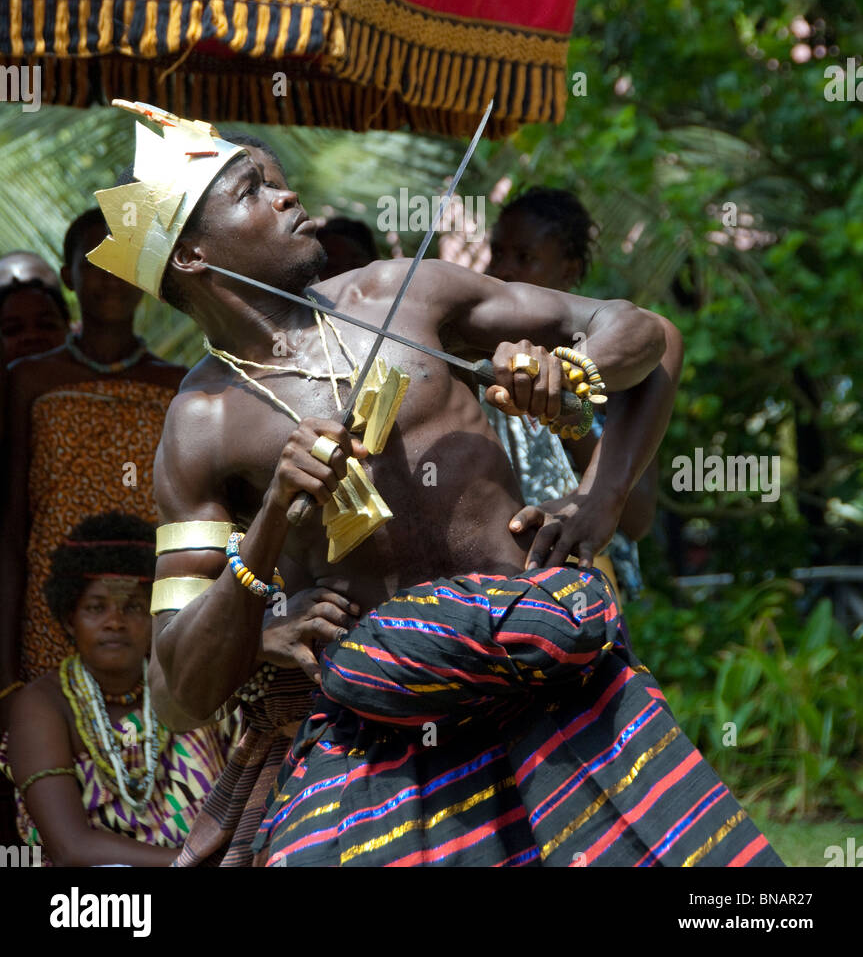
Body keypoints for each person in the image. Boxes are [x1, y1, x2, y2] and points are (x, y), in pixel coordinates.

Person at [91, 100, 781, 868]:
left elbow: (645, 335)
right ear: (190, 257)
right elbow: (176, 691)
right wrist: (271, 532)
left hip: (553, 684)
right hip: (386, 736)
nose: (287, 196)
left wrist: (596, 483)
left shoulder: (400, 293)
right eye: (252, 189)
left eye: (279, 182)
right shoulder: (201, 425)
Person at [0, 210, 185, 701]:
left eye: (126, 259)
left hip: (149, 596)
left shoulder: (178, 384)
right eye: (96, 260)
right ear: (67, 277)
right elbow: (14, 521)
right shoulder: (29, 380)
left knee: (155, 750)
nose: (112, 275)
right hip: (51, 599)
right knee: (56, 734)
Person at [2, 513, 240, 866]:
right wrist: (191, 862)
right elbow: (71, 849)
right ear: (70, 618)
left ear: (154, 615)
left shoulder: (182, 683)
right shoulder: (42, 705)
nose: (115, 622)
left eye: (132, 607)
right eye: (96, 608)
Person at [485, 187, 656, 603]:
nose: (504, 270)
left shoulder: (613, 358)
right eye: (498, 253)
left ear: (570, 271)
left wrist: (564, 407)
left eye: (525, 258)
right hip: (502, 580)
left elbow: (638, 517)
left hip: (583, 579)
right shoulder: (483, 350)